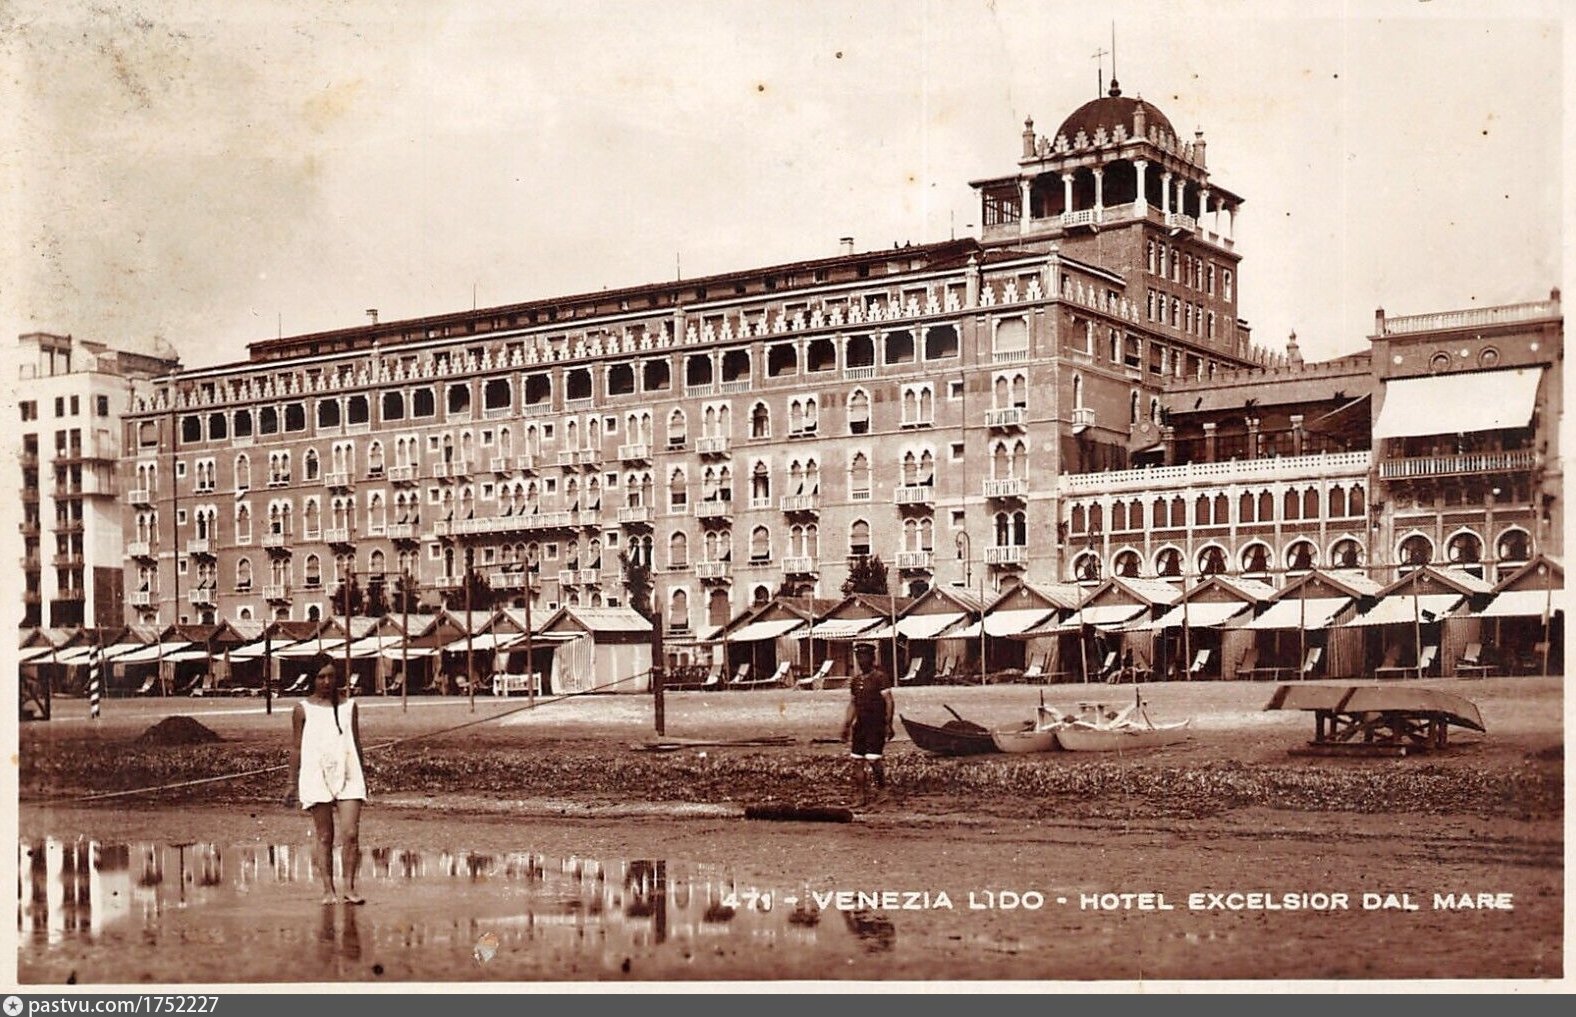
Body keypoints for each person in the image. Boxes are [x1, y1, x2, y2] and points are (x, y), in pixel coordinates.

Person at [286, 663, 368, 905]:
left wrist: (362, 774)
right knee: (324, 835)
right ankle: (328, 889)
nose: (327, 682)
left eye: (331, 676)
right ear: (313, 679)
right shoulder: (302, 709)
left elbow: (356, 742)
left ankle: (349, 887)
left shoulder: (350, 706)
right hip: (316, 773)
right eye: (321, 677)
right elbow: (296, 747)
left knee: (350, 834)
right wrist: (291, 783)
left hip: (348, 771)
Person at [840, 642, 895, 805]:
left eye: (864, 656)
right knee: (857, 760)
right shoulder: (856, 681)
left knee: (874, 760)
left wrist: (888, 723)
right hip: (860, 726)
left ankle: (882, 790)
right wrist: (846, 725)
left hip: (876, 725)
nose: (861, 660)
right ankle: (860, 795)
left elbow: (889, 701)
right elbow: (853, 703)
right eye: (859, 657)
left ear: (872, 658)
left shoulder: (880, 677)